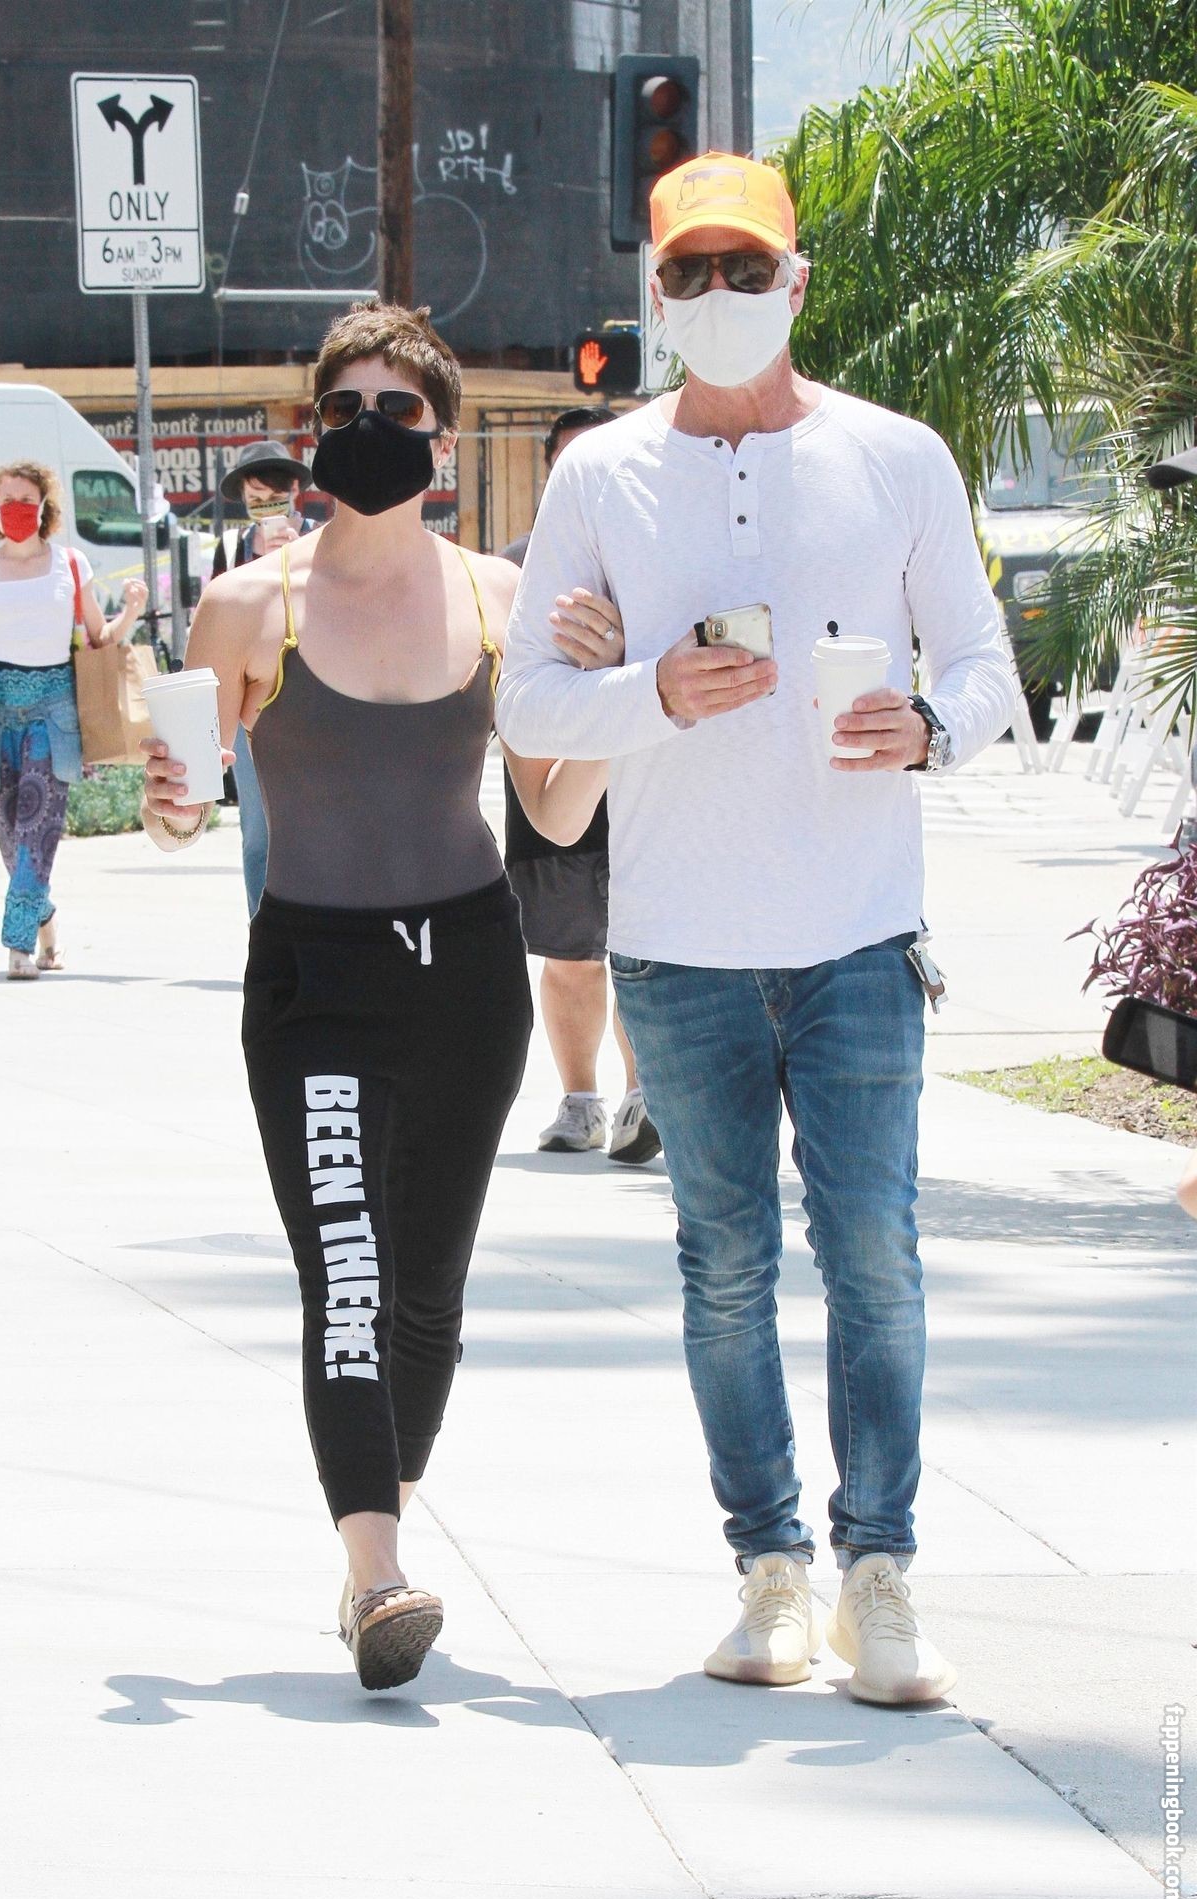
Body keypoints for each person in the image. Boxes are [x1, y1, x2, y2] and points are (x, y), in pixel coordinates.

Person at [497, 153, 1017, 1706]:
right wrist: (650, 691)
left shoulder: (898, 457)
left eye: (745, 269)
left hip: (860, 936)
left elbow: (986, 668)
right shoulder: (599, 475)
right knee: (724, 1269)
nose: (718, 295)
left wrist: (930, 726)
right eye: (689, 273)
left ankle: (882, 1576)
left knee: (876, 1261)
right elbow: (528, 706)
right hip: (675, 950)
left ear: (796, 281)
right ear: (654, 296)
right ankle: (771, 1573)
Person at [141, 303, 622, 1691]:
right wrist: (169, 801)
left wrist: (605, 701)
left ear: (442, 440)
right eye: (341, 408)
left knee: (429, 1296)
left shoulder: (499, 599)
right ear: (311, 435)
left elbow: (552, 809)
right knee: (346, 1273)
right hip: (315, 979)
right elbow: (185, 805)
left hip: (467, 972)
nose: (367, 429)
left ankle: (374, 1535)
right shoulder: (253, 604)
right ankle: (378, 1573)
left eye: (396, 410)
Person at [500, 407, 661, 1162]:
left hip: (645, 784)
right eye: (571, 463)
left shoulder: (656, 557)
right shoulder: (520, 570)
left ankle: (641, 1095)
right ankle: (579, 1100)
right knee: (568, 954)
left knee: (640, 949)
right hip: (552, 781)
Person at [0, 462, 147, 978]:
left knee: (37, 831)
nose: (16, 508)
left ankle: (17, 946)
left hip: (53, 711)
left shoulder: (70, 564)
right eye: (7, 499)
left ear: (44, 507)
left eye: (26, 499)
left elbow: (98, 638)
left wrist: (130, 613)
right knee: (10, 841)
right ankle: (48, 930)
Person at [211, 440, 314, 918]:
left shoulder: (317, 541)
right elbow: (216, 619)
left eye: (274, 497)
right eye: (255, 498)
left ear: (294, 492)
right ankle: (263, 933)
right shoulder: (230, 548)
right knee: (257, 832)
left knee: (313, 824)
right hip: (247, 702)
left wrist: (294, 561)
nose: (266, 507)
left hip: (310, 699)